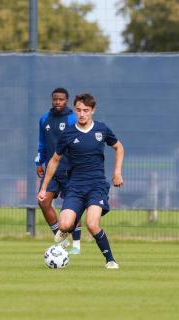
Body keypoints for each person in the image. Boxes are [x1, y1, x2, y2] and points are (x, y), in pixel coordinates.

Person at [38, 93, 124, 269]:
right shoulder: (68, 134)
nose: (82, 114)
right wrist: (43, 188)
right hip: (75, 186)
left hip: (97, 186)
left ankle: (110, 261)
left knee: (92, 224)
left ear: (93, 110)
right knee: (64, 224)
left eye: (86, 110)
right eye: (78, 110)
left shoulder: (101, 129)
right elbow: (54, 160)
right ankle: (66, 233)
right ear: (75, 111)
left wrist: (117, 172)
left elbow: (119, 147)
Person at [35, 87, 82, 254]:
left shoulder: (72, 119)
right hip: (51, 171)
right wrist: (39, 162)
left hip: (70, 171)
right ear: (51, 100)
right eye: (55, 99)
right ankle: (61, 239)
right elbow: (42, 143)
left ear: (67, 101)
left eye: (61, 99)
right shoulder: (44, 119)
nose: (57, 102)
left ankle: (76, 244)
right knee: (43, 202)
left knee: (73, 207)